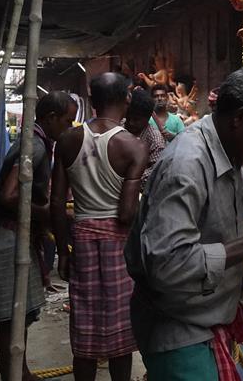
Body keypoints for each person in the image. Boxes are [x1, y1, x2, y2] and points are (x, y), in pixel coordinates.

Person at [125, 65, 243, 380]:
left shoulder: (226, 145)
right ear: (240, 118)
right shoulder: (186, 166)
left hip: (205, 318)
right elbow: (167, 263)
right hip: (180, 328)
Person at [51, 73, 147, 381]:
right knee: (120, 333)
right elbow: (125, 215)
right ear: (127, 100)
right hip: (118, 245)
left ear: (92, 101)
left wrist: (63, 253)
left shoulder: (67, 140)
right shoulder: (132, 147)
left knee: (85, 330)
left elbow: (56, 203)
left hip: (81, 238)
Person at [0, 91, 77, 381]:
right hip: (7, 235)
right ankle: (15, 374)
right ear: (51, 118)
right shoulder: (34, 147)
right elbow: (10, 196)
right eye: (67, 121)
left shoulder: (35, 142)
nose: (69, 127)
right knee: (12, 314)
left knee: (22, 310)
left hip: (13, 232)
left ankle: (19, 371)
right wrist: (49, 213)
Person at [123, 88, 165, 189]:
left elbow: (154, 173)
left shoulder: (155, 140)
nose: (131, 122)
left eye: (136, 120)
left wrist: (125, 180)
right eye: (129, 118)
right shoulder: (120, 126)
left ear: (147, 118)